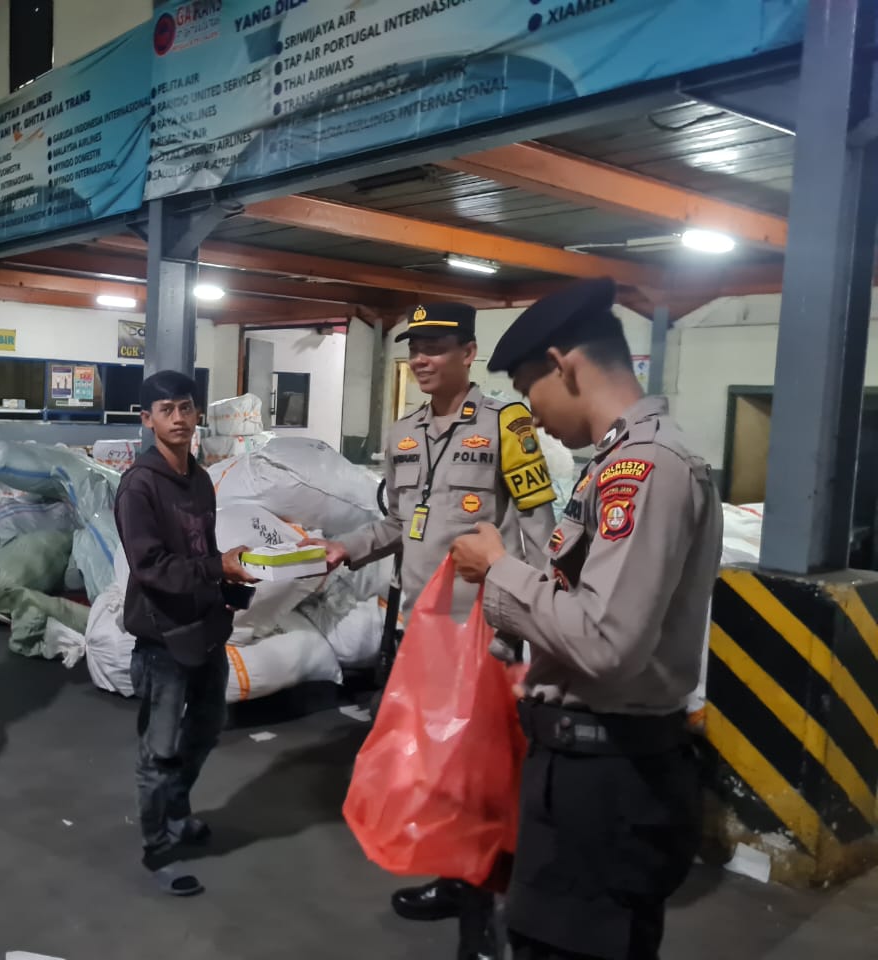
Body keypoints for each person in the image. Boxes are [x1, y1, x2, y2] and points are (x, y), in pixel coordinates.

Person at [451, 277, 723, 960]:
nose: (528, 411)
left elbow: (605, 643)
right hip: (583, 767)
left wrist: (499, 570)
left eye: (526, 386)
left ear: (564, 363)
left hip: (611, 782)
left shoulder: (647, 467)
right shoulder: (610, 464)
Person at [303, 302, 556, 955]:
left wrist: (520, 615)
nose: (420, 358)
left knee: (481, 775)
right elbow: (397, 524)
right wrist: (345, 548)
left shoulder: (508, 424)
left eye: (437, 346)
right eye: (414, 347)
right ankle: (454, 877)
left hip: (482, 628)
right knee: (438, 771)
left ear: (468, 353)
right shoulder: (403, 432)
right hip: (420, 630)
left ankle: (489, 915)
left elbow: (536, 532)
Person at [113, 370, 256, 898]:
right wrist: (218, 567)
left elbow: (201, 551)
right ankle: (158, 849)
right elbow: (150, 567)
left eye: (186, 408)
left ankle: (176, 813)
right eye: (166, 409)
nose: (178, 418)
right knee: (160, 748)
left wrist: (226, 581)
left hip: (205, 627)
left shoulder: (198, 478)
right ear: (147, 418)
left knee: (207, 729)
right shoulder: (140, 485)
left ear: (198, 415)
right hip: (163, 637)